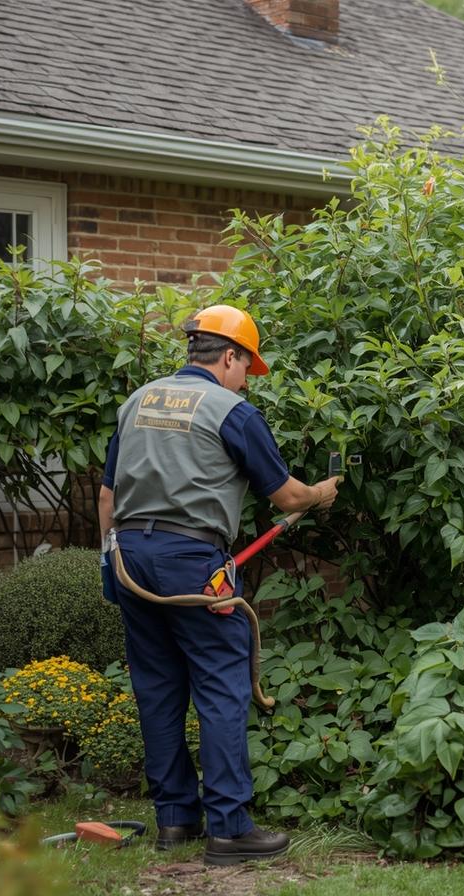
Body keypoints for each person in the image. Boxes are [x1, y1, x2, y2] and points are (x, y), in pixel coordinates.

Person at [97, 304, 338, 864]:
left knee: (156, 688)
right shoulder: (232, 411)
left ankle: (175, 821)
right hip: (190, 559)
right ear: (229, 356)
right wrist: (322, 493)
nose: (244, 382)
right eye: (245, 369)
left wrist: (109, 560)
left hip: (129, 553)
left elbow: (108, 496)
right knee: (223, 683)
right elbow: (286, 496)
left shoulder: (139, 401)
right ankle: (229, 828)